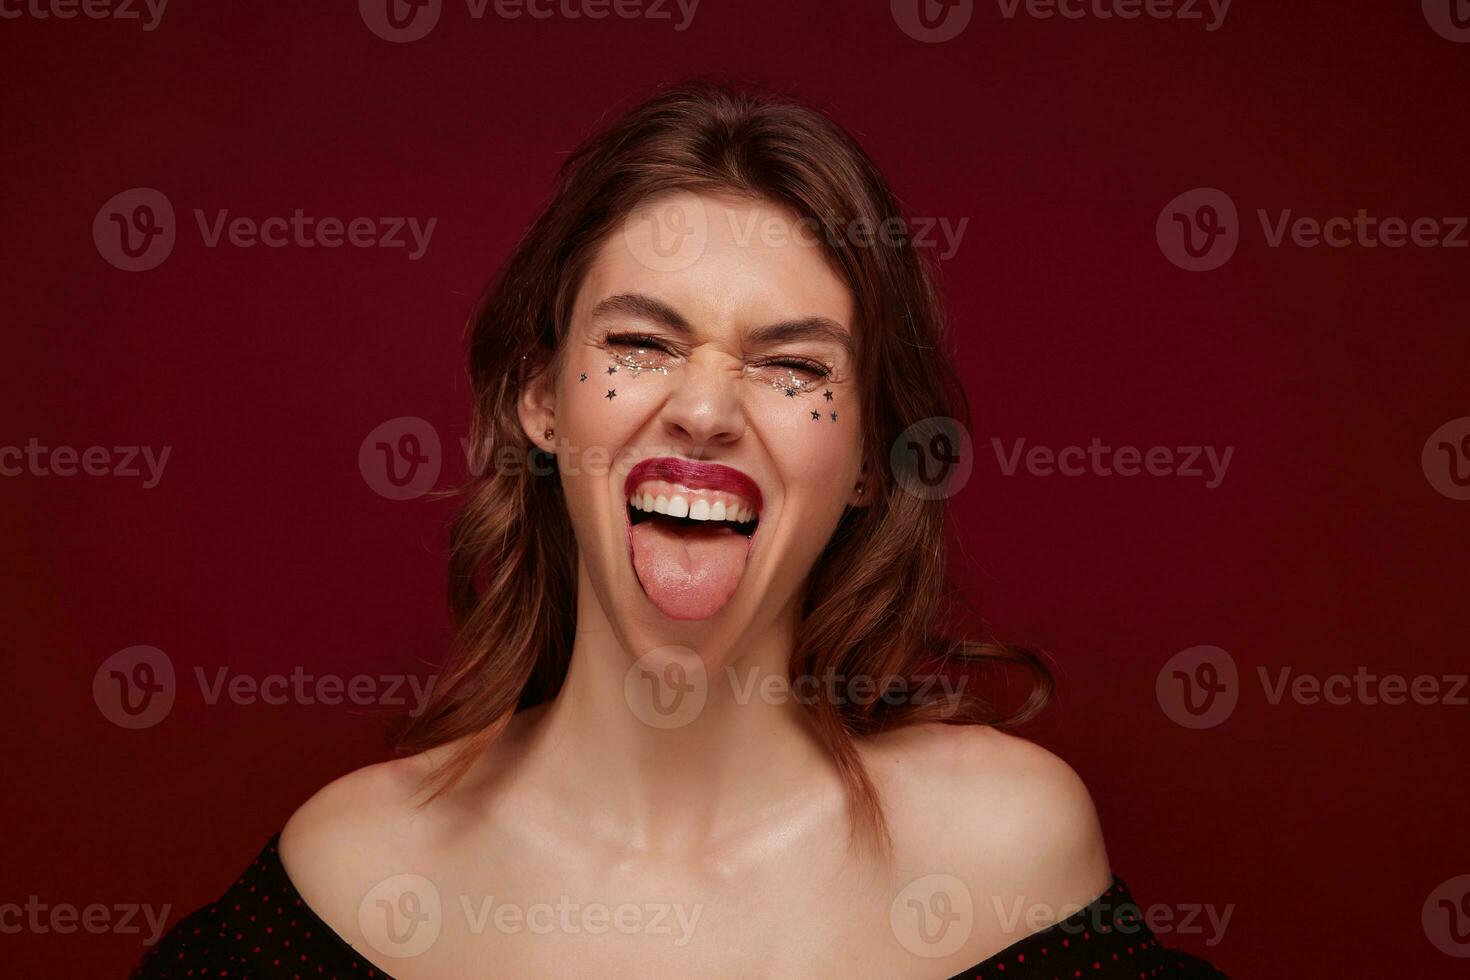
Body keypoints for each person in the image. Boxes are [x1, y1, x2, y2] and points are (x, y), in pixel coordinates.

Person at [136, 79, 1226, 979]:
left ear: (863, 462)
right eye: (642, 342)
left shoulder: (1005, 847)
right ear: (542, 399)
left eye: (792, 365)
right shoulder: (356, 872)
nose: (705, 409)